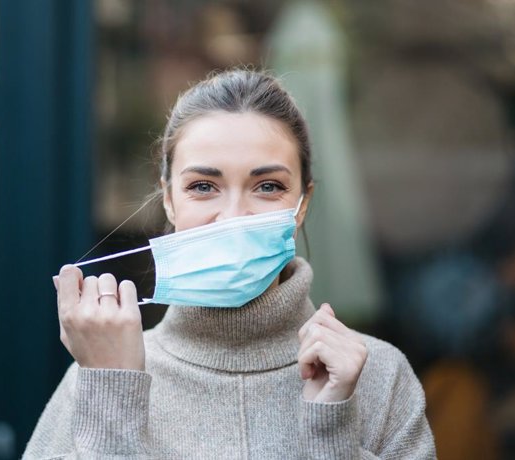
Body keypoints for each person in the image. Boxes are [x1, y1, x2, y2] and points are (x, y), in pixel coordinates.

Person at [23, 69, 436, 459]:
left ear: (302, 204)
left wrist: (331, 434)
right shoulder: (98, 375)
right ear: (168, 198)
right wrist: (113, 395)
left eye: (268, 186)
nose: (234, 216)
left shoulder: (377, 376)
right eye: (203, 186)